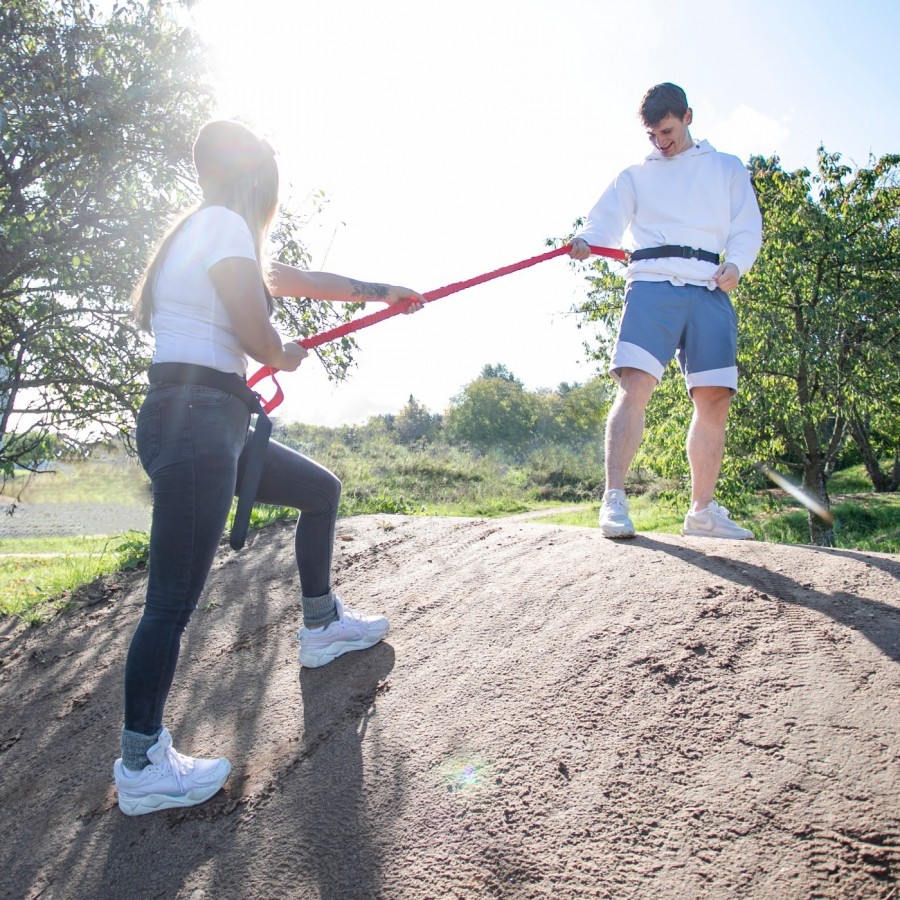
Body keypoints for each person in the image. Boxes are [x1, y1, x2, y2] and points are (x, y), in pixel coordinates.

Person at [114, 120, 425, 816]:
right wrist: (283, 354)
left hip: (199, 417)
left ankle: (321, 625)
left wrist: (384, 292)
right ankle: (141, 764)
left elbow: (304, 281)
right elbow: (260, 337)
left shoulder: (206, 231)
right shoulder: (223, 228)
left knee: (318, 491)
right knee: (169, 602)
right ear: (256, 178)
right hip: (200, 419)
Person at [569, 82, 762, 541]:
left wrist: (736, 263)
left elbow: (746, 226)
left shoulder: (727, 169)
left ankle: (702, 512)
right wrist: (587, 242)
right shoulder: (635, 176)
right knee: (635, 383)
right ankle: (613, 499)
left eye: (668, 130)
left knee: (715, 397)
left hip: (710, 287)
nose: (661, 141)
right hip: (653, 284)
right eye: (653, 134)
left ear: (688, 116)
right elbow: (604, 225)